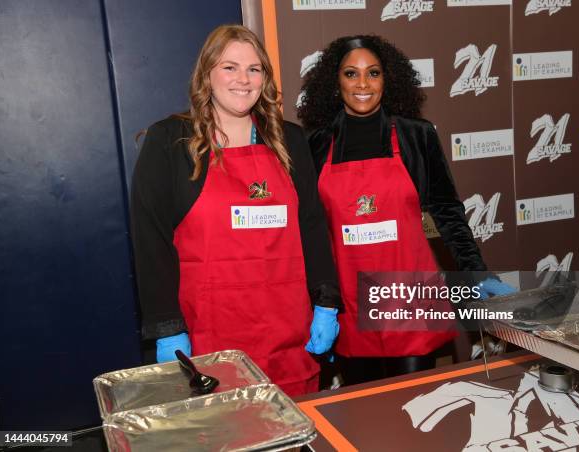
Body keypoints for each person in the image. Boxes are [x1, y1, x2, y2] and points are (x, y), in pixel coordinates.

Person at [130, 25, 341, 396]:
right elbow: (152, 241)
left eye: (254, 69)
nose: (243, 79)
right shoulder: (170, 141)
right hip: (208, 337)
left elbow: (311, 224)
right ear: (206, 74)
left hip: (288, 335)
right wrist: (167, 328)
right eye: (229, 67)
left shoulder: (290, 140)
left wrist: (326, 301)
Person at [297, 35, 515, 386]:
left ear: (388, 79)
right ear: (335, 83)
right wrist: (320, 302)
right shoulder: (316, 144)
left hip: (410, 300)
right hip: (350, 304)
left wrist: (477, 273)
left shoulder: (417, 136)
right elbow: (309, 229)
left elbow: (446, 211)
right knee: (362, 415)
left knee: (414, 408)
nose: (363, 84)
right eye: (351, 74)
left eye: (374, 73)